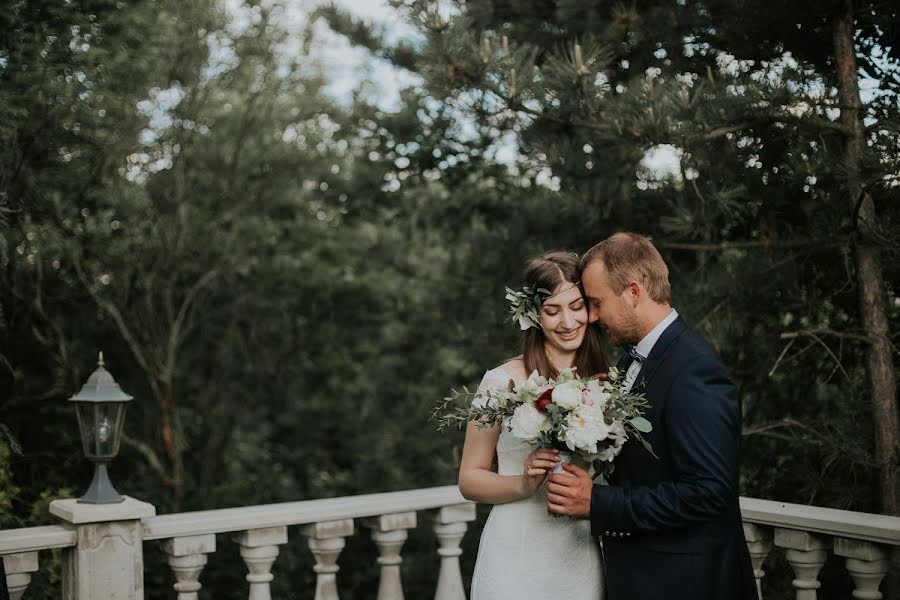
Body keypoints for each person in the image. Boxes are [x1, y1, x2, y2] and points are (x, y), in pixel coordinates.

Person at [545, 232, 758, 600]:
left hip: (686, 583)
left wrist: (598, 502)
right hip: (641, 577)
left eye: (596, 303)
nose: (592, 317)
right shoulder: (632, 360)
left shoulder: (694, 370)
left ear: (633, 292)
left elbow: (708, 493)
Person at [458, 251, 609, 600]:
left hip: (579, 553)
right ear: (533, 315)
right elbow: (469, 478)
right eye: (552, 311)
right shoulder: (500, 381)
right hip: (516, 555)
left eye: (576, 307)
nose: (568, 322)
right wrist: (523, 484)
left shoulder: (606, 385)